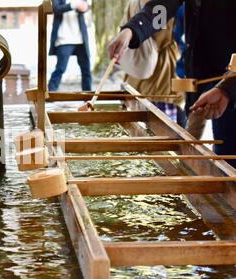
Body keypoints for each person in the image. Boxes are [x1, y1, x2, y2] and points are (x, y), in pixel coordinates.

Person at [107, 0, 236, 167]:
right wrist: (131, 31)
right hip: (203, 78)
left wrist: (228, 88)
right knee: (224, 161)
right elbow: (163, 6)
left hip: (229, 82)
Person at [120, 0, 183, 123]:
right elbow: (162, 37)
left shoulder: (133, 2)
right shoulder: (161, 5)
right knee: (167, 133)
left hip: (135, 76)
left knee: (139, 130)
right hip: (161, 80)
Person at [48, 0, 92, 92]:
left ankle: (88, 96)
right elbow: (56, 9)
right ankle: (51, 93)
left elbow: (86, 7)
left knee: (86, 69)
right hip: (64, 38)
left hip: (80, 38)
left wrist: (85, 7)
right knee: (60, 68)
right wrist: (74, 5)